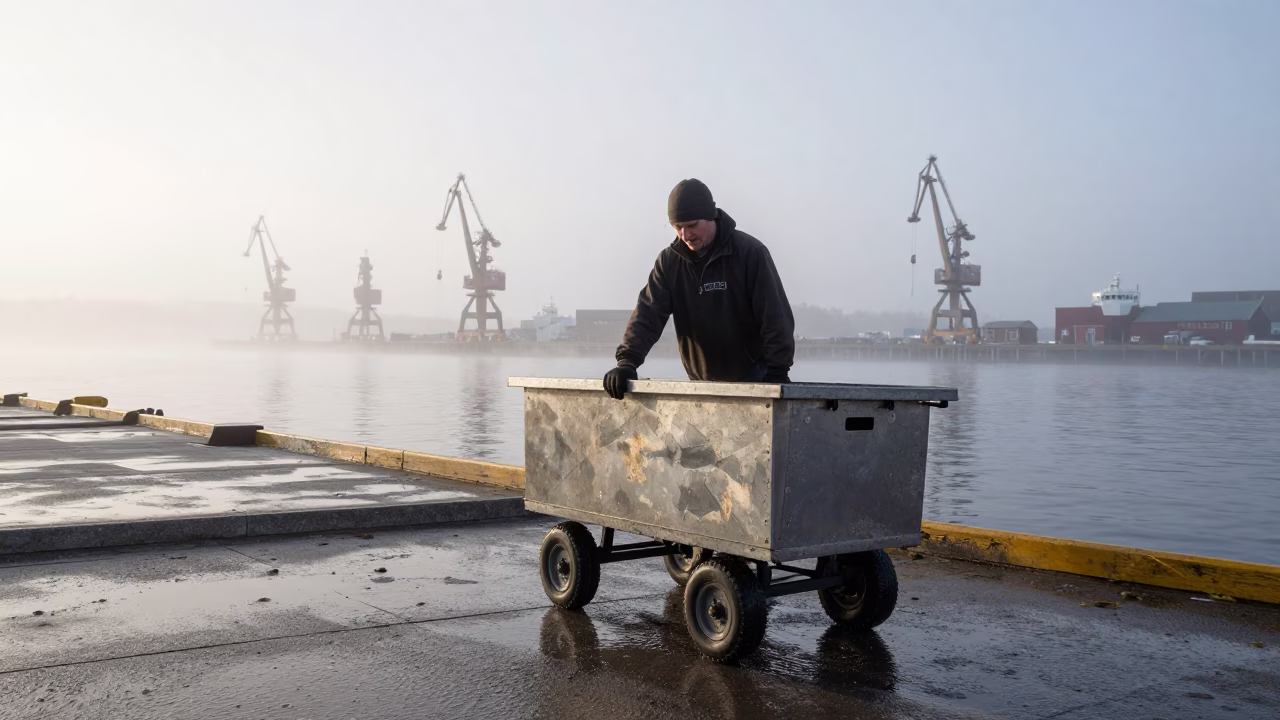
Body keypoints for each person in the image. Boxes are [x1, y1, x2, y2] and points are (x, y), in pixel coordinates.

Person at [603, 179, 795, 399]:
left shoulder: (750, 254)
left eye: (692, 225)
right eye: (678, 227)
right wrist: (627, 361)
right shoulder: (669, 263)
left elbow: (775, 317)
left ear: (710, 216)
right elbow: (648, 315)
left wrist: (778, 373)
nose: (685, 235)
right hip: (701, 387)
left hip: (757, 383)